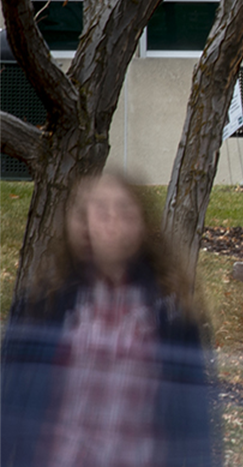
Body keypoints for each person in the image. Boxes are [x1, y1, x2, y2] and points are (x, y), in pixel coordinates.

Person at [0, 171, 218, 467]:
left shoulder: (171, 313)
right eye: (101, 210)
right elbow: (12, 400)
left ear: (142, 224)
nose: (113, 221)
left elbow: (195, 420)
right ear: (82, 225)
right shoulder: (43, 305)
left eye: (125, 210)